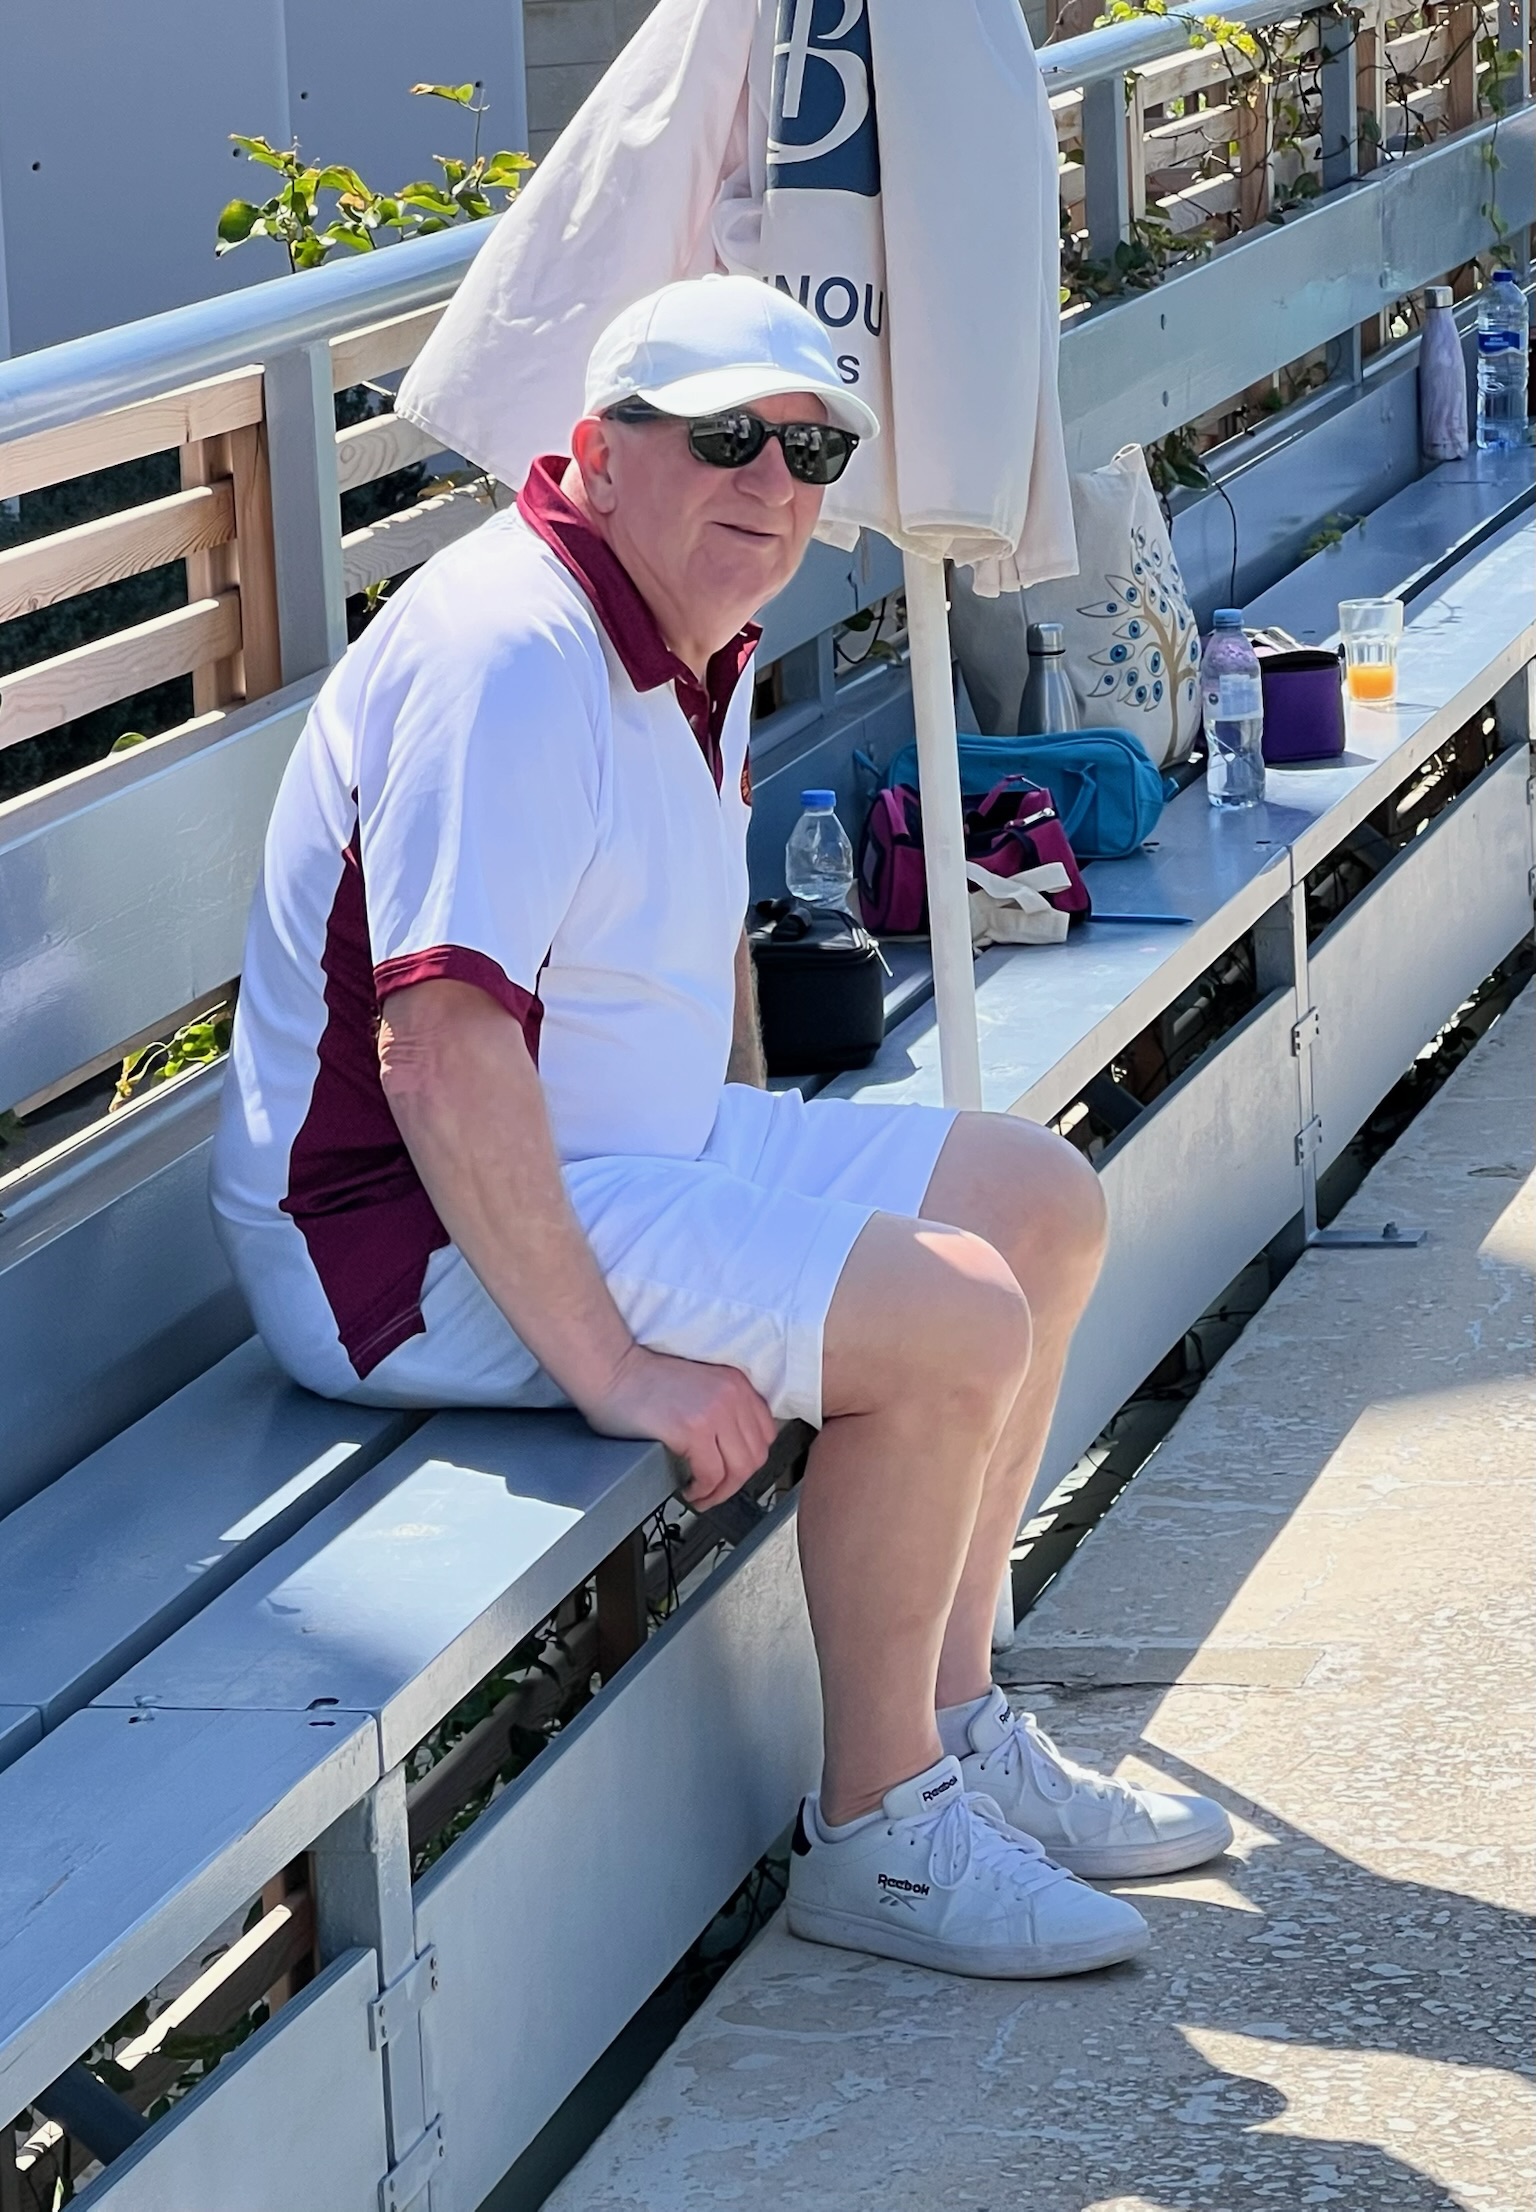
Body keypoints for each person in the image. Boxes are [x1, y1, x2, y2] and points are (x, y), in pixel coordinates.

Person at [212, 274, 1230, 1982]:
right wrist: (619, 1366)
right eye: (726, 437)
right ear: (600, 453)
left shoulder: (690, 623)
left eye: (811, 449)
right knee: (954, 1316)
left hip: (620, 1150)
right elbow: (440, 1051)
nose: (774, 480)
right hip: (400, 1239)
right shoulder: (511, 653)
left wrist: (764, 1200)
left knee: (1035, 1201)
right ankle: (881, 1830)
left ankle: (954, 1721)